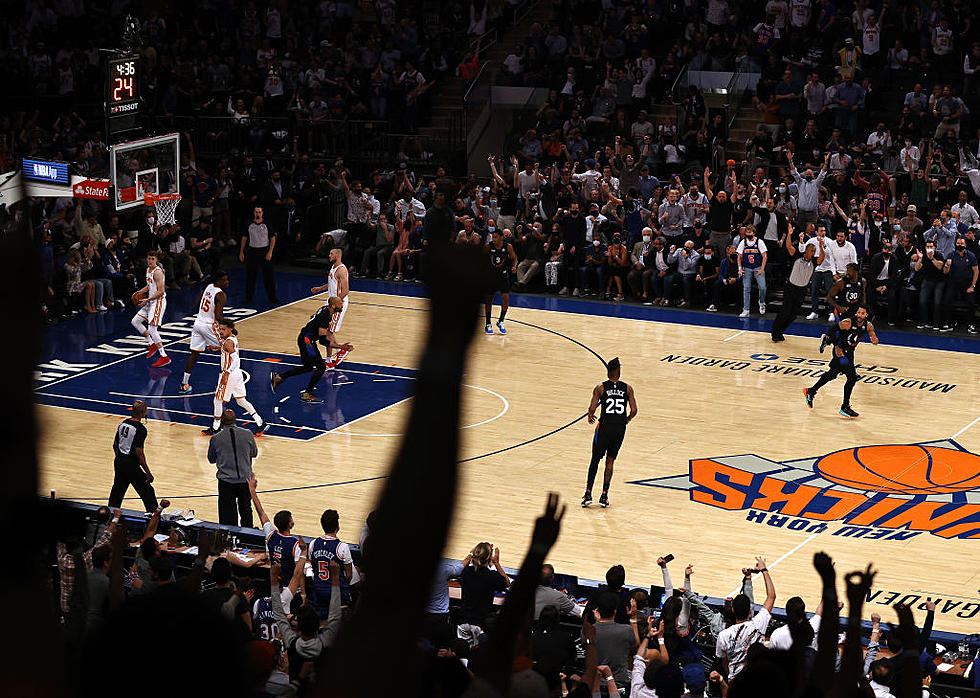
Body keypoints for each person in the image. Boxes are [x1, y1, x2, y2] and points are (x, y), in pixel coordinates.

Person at [270, 297, 354, 403]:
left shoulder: (324, 309)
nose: (342, 305)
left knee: (308, 367)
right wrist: (341, 347)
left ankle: (279, 377)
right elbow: (323, 341)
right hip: (307, 342)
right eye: (340, 304)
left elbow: (312, 317)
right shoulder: (325, 316)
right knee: (321, 367)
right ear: (333, 306)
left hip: (305, 339)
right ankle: (307, 394)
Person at [804, 306, 879, 417]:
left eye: (862, 313)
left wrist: (875, 340)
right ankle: (845, 407)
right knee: (852, 377)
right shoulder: (848, 322)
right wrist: (837, 347)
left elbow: (874, 337)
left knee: (832, 374)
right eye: (858, 312)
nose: (859, 315)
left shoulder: (868, 326)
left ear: (866, 315)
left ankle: (811, 391)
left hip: (850, 353)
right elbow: (831, 330)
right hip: (841, 352)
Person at [582, 357, 638, 509]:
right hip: (619, 428)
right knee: (610, 461)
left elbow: (592, 408)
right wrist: (627, 420)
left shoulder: (600, 388)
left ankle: (588, 494)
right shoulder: (628, 388)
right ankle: (604, 495)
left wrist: (590, 415)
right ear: (619, 372)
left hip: (605, 427)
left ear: (608, 372)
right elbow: (634, 410)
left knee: (595, 459)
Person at [715, 557, 776, 680]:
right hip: (756, 678)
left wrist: (731, 677)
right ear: (750, 611)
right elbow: (771, 596)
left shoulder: (723, 635)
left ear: (733, 610)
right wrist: (764, 570)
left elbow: (724, 662)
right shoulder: (759, 624)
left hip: (735, 681)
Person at [204, 318, 267, 436]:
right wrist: (218, 348)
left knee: (217, 400)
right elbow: (229, 351)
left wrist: (226, 373)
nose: (220, 331)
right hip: (237, 373)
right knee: (241, 400)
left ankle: (216, 427)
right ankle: (260, 422)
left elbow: (236, 359)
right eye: (220, 329)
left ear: (230, 329)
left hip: (230, 374)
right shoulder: (231, 339)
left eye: (223, 329)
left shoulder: (228, 342)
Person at [180, 270, 229, 394]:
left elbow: (198, 302)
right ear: (218, 281)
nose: (227, 282)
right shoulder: (221, 295)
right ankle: (222, 385)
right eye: (225, 280)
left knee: (194, 354)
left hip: (198, 323)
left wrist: (204, 313)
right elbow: (218, 315)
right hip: (208, 326)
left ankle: (184, 384)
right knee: (227, 349)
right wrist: (230, 327)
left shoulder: (209, 287)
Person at [771, 224, 824, 341]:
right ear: (806, 250)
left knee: (793, 315)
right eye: (811, 250)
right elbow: (789, 246)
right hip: (790, 288)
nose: (813, 253)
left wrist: (821, 247)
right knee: (785, 312)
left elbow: (821, 259)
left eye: (814, 251)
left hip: (802, 290)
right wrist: (789, 234)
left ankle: (781, 332)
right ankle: (775, 333)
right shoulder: (797, 256)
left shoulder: (814, 262)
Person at [208, 409, 258, 527]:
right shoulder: (248, 433)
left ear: (222, 421)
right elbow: (254, 453)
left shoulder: (216, 438)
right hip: (245, 479)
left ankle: (229, 539)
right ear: (235, 420)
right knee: (246, 510)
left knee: (227, 515)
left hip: (226, 481)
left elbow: (211, 459)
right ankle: (248, 536)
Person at [249, 476, 302, 586]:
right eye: (291, 518)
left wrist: (252, 491)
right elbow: (298, 572)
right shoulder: (294, 544)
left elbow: (261, 512)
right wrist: (303, 593)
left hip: (274, 582)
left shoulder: (271, 535)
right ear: (290, 524)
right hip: (288, 585)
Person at [108, 399, 158, 511]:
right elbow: (139, 453)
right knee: (147, 492)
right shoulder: (140, 429)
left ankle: (110, 514)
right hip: (131, 465)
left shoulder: (123, 423)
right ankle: (154, 519)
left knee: (117, 491)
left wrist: (120, 458)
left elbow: (115, 445)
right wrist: (148, 472)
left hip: (119, 461)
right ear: (143, 412)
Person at [309, 508, 355, 616]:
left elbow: (314, 567)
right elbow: (349, 575)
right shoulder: (342, 547)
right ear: (337, 526)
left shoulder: (313, 544)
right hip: (337, 593)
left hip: (319, 592)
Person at [130, 250, 170, 368]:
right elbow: (149, 286)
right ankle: (151, 343)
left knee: (152, 330)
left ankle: (164, 356)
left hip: (158, 302)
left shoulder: (158, 272)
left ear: (156, 260)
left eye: (152, 259)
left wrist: (147, 300)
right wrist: (139, 292)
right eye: (148, 259)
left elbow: (161, 291)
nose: (150, 261)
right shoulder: (148, 270)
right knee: (135, 321)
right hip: (151, 301)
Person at [240, 206, 279, 304]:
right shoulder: (249, 224)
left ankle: (272, 297)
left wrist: (270, 252)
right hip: (252, 251)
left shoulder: (267, 224)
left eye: (259, 212)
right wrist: (241, 251)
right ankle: (249, 297)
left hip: (264, 251)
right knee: (250, 276)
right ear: (254, 213)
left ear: (262, 213)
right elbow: (244, 237)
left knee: (269, 276)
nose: (258, 214)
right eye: (256, 212)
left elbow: (273, 238)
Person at [484, 228, 518, 335]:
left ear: (501, 237)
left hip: (503, 276)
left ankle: (501, 321)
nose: (493, 239)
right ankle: (488, 323)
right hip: (491, 277)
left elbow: (514, 258)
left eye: (495, 237)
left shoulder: (507, 247)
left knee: (506, 299)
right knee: (489, 300)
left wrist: (514, 266)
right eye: (492, 237)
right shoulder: (488, 246)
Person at [311, 247, 350, 340]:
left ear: (338, 255)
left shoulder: (342, 270)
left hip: (338, 304)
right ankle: (330, 354)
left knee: (328, 330)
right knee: (323, 327)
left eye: (331, 254)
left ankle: (340, 350)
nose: (329, 256)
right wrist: (320, 288)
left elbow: (346, 290)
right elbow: (332, 282)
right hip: (331, 302)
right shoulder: (333, 267)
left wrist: (336, 303)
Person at [736, 225, 768, 317]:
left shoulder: (759, 242)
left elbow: (764, 256)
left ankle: (761, 302)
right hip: (747, 268)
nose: (748, 234)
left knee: (762, 287)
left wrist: (762, 269)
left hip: (758, 267)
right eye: (747, 232)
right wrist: (739, 268)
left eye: (750, 232)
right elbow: (739, 256)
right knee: (746, 288)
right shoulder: (743, 242)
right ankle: (746, 309)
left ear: (754, 233)